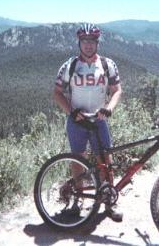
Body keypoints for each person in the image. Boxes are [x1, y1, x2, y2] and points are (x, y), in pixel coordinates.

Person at [53, 23, 123, 222]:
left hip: (98, 120)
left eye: (92, 41)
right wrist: (71, 112)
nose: (88, 45)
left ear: (97, 43)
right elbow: (57, 93)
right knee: (78, 161)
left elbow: (117, 90)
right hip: (77, 121)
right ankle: (78, 201)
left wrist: (109, 108)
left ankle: (109, 200)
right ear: (79, 43)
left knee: (105, 161)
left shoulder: (107, 64)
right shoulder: (70, 65)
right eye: (85, 41)